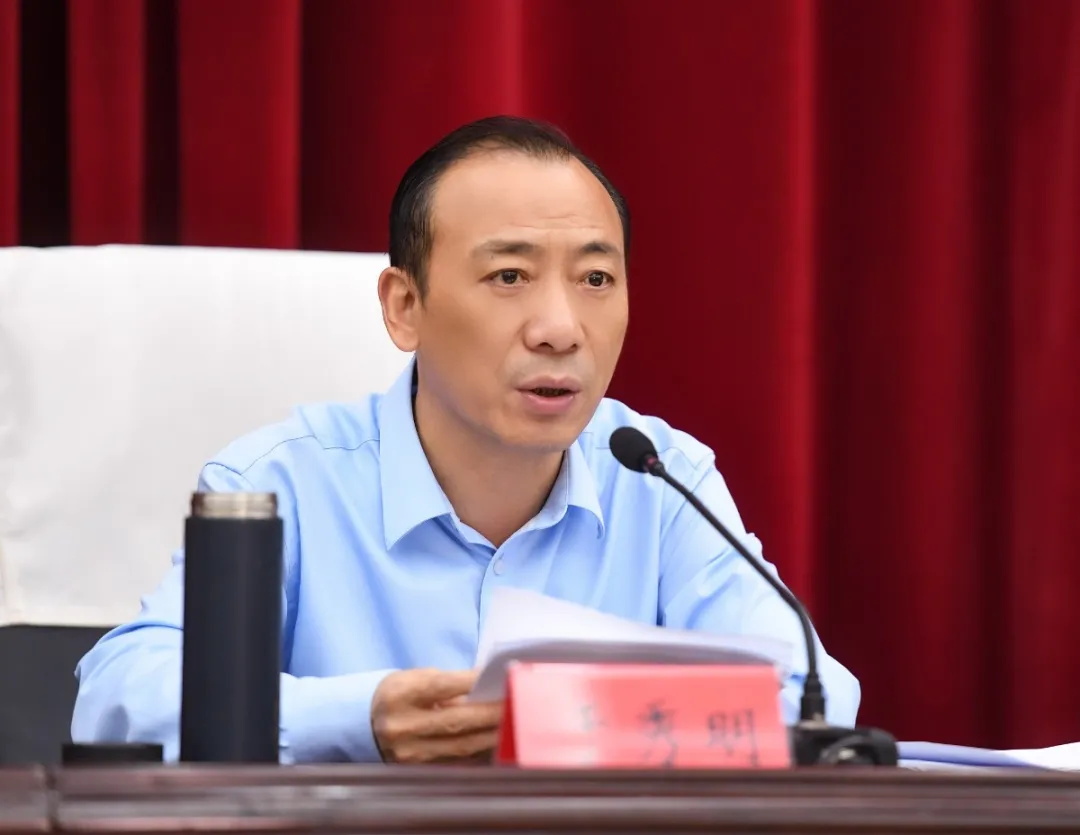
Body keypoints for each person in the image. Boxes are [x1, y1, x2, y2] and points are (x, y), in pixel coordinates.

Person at [71, 116, 859, 764]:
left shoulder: (658, 477)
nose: (561, 329)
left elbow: (809, 693)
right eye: (509, 276)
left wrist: (572, 718)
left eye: (596, 279)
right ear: (404, 306)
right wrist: (357, 718)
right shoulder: (283, 481)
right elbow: (118, 696)